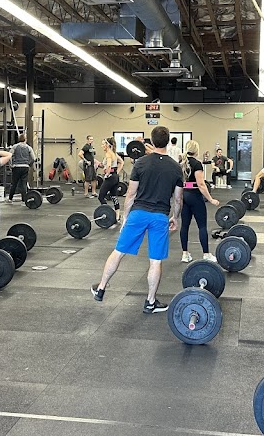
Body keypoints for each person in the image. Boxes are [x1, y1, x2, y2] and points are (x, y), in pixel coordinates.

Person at [91, 126, 183, 314]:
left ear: (152, 141)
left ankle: (101, 289)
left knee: (118, 252)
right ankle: (150, 302)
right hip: (160, 216)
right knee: (155, 261)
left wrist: (125, 217)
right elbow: (178, 198)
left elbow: (131, 194)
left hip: (138, 213)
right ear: (168, 141)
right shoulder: (175, 167)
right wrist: (176, 217)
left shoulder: (141, 163)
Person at [178, 140, 220, 263]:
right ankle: (206, 254)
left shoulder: (182, 163)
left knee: (184, 226)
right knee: (202, 226)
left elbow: (180, 182)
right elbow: (201, 184)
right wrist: (211, 199)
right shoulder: (197, 164)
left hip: (185, 195)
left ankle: (185, 254)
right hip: (195, 196)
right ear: (196, 150)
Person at [6, 134, 37, 202]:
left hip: (16, 167)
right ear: (25, 139)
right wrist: (29, 164)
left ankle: (10, 198)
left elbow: (9, 155)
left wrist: (11, 164)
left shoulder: (15, 146)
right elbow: (34, 158)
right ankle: (24, 199)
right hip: (25, 167)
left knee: (14, 183)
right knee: (24, 184)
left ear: (19, 139)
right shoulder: (29, 148)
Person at [97, 138, 122, 208]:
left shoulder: (108, 154)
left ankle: (107, 211)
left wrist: (107, 174)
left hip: (110, 177)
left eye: (103, 144)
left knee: (101, 197)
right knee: (113, 196)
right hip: (115, 177)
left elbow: (109, 165)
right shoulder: (114, 153)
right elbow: (121, 162)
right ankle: (117, 213)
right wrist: (116, 172)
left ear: (107, 145)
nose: (102, 146)